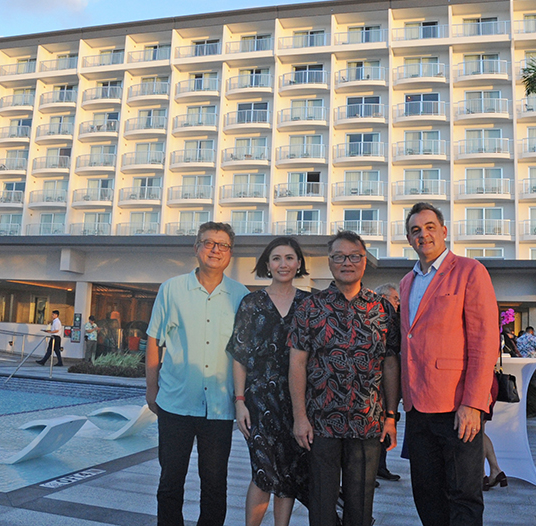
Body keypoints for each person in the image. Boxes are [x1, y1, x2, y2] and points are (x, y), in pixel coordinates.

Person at [289, 230, 400, 526]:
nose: (346, 262)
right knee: (322, 506)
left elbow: (390, 365)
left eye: (354, 256)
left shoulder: (383, 310)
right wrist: (300, 417)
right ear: (330, 262)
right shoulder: (310, 307)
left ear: (365, 262)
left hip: (368, 423)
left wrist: (391, 416)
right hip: (320, 423)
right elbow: (297, 364)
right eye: (339, 256)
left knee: (360, 507)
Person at [399, 202, 498, 526]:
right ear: (409, 238)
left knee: (463, 494)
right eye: (415, 230)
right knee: (425, 492)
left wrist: (473, 403)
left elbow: (484, 342)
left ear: (443, 231)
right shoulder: (406, 283)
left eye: (429, 227)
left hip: (457, 406)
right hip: (417, 408)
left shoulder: (470, 271)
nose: (423, 234)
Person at [145, 222, 250, 526]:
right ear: (196, 248)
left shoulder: (241, 295)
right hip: (176, 402)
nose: (215, 249)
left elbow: (244, 353)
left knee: (215, 486)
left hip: (219, 406)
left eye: (223, 245)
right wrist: (151, 389)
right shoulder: (172, 288)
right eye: (208, 243)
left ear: (230, 253)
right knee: (169, 484)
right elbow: (154, 339)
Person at [227, 237, 311, 526]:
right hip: (259, 401)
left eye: (289, 258)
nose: (283, 264)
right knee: (263, 473)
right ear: (268, 264)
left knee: (288, 472)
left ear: (298, 263)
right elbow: (239, 355)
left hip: (297, 403)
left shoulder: (308, 303)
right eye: (276, 258)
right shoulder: (251, 303)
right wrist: (240, 402)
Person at [373, 283, 402, 482]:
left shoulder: (393, 317)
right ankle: (375, 467)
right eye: (395, 298)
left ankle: (379, 466)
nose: (398, 303)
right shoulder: (381, 315)